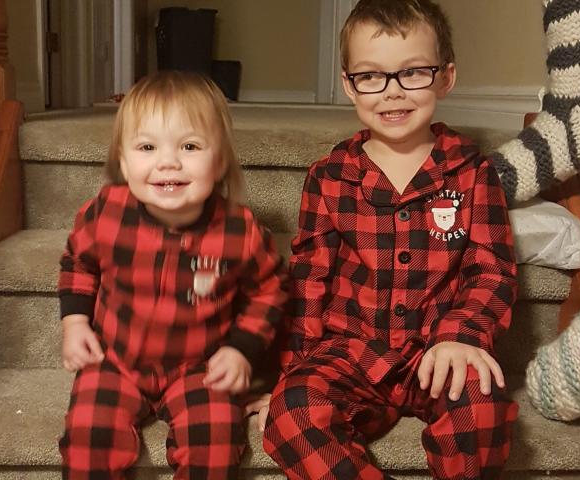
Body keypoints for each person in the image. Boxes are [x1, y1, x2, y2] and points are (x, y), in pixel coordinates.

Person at [257, 1, 519, 478]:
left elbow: (492, 271)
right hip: (351, 352)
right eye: (371, 76)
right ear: (348, 84)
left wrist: (461, 337)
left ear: (445, 77)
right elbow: (309, 282)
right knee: (291, 413)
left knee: (481, 399)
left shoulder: (474, 172)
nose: (392, 93)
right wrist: (288, 376)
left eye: (413, 73)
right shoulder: (330, 177)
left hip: (437, 350)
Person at [57, 71, 287, 480]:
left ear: (219, 163)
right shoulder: (106, 213)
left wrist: (241, 349)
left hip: (199, 366)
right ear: (124, 162)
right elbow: (78, 262)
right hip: (115, 359)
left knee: (215, 441)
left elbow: (269, 291)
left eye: (190, 146)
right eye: (147, 147)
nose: (168, 162)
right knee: (89, 436)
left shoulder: (240, 230)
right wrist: (75, 321)